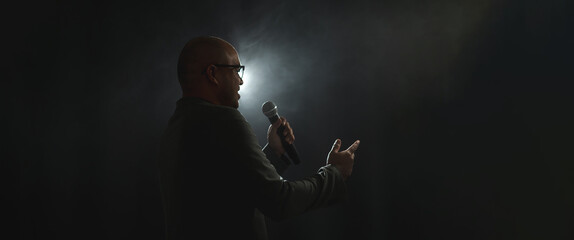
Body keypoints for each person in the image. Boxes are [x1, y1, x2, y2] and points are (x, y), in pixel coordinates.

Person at [159, 36, 360, 240]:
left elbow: (228, 193)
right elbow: (280, 201)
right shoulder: (224, 120)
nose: (241, 80)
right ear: (213, 73)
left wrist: (273, 152)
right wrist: (334, 174)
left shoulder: (175, 128)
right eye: (236, 70)